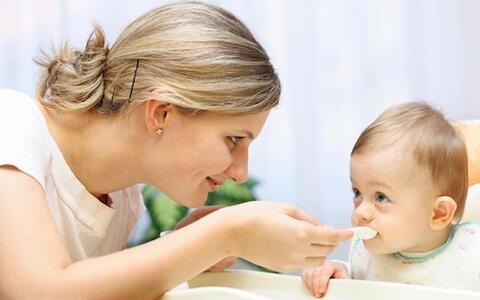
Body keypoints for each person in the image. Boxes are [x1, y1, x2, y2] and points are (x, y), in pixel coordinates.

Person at [0, 2, 352, 299]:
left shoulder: (123, 198)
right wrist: (221, 234)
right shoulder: (11, 125)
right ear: (161, 113)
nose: (240, 172)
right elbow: (40, 291)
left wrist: (183, 246)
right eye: (233, 139)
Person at [302, 102, 480, 297]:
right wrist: (338, 274)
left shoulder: (472, 255)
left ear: (439, 213)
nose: (360, 211)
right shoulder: (368, 256)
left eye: (381, 197)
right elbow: (361, 286)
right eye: (357, 193)